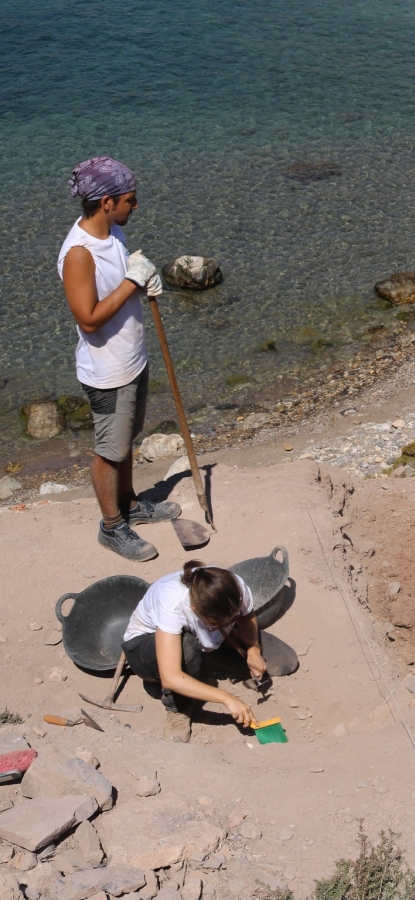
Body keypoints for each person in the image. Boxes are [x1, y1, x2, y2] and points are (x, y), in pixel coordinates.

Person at [57, 156, 179, 561]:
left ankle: (129, 504)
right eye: (130, 199)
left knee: (126, 438)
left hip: (132, 359)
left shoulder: (112, 234)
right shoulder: (79, 254)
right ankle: (111, 527)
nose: (136, 205)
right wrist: (132, 280)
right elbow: (88, 320)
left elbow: (121, 288)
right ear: (106, 202)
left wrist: (142, 283)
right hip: (107, 370)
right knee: (109, 449)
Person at [122, 561, 265, 743]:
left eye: (232, 618)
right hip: (148, 646)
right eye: (216, 622)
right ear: (195, 610)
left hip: (206, 639)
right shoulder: (172, 604)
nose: (228, 622)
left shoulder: (233, 587)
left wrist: (253, 650)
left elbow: (246, 615)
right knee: (187, 647)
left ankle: (202, 668)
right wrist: (227, 698)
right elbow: (171, 676)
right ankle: (178, 707)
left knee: (283, 662)